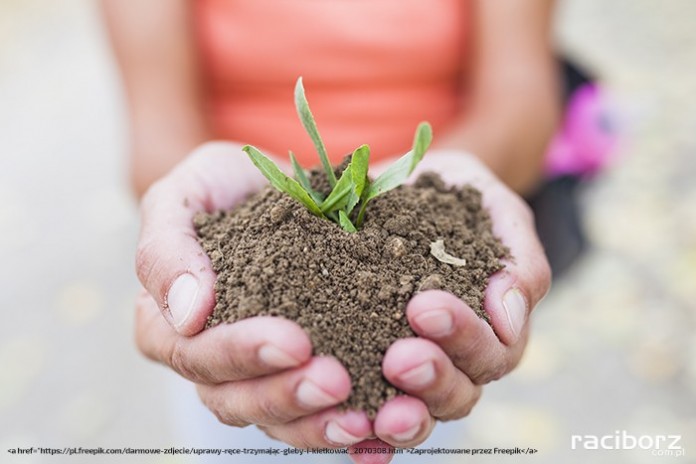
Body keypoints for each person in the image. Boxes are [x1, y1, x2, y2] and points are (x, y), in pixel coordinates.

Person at [103, 1, 555, 462]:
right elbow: (155, 138)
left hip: (426, 248)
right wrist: (188, 198)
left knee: (416, 411)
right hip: (245, 257)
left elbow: (523, 109)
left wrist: (457, 186)